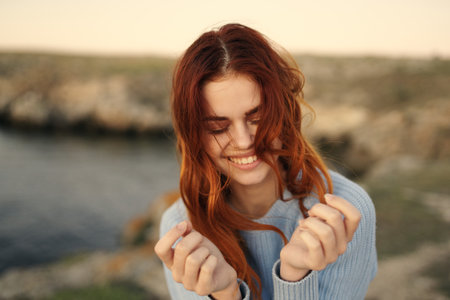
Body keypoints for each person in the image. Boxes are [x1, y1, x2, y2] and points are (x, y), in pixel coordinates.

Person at [154, 23, 377, 300]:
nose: (244, 141)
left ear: (283, 111)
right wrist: (225, 293)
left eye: (257, 118)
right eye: (218, 127)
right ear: (195, 135)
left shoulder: (344, 213)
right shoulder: (183, 229)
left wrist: (295, 275)